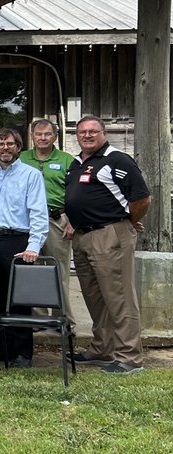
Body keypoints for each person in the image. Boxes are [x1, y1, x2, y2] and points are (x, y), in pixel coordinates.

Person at [64, 115, 151, 374]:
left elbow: (142, 198)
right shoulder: (77, 163)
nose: (87, 136)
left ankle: (129, 356)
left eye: (92, 131)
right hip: (82, 236)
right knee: (95, 297)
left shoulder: (117, 160)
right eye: (82, 132)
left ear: (104, 133)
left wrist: (127, 221)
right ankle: (102, 348)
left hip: (109, 235)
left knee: (119, 297)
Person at [0, 127, 48, 368]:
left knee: (19, 299)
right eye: (0, 145)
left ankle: (22, 353)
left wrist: (34, 246)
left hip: (19, 242)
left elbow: (39, 213)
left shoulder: (31, 176)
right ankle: (2, 350)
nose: (5, 148)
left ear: (18, 147)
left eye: (10, 144)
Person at [19, 118, 75, 301]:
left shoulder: (67, 160)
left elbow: (77, 194)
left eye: (47, 134)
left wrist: (72, 222)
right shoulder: (22, 158)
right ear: (32, 137)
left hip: (57, 220)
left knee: (59, 270)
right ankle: (37, 319)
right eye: (39, 134)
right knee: (32, 269)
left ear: (55, 136)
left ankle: (64, 320)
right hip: (28, 221)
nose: (43, 138)